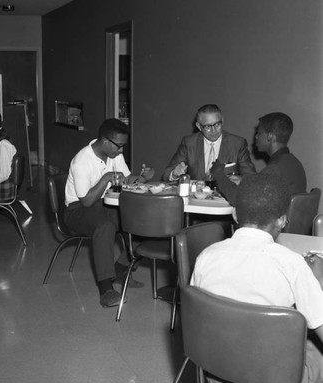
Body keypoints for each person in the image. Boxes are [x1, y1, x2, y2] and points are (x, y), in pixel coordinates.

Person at [191, 173, 323, 383]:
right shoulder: (291, 266)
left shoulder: (206, 258)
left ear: (235, 213)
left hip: (217, 378)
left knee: (262, 345)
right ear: (282, 220)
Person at [64, 118, 155, 308]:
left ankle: (120, 269)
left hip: (105, 204)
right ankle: (106, 289)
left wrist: (141, 178)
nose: (121, 151)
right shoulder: (81, 161)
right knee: (104, 227)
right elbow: (87, 201)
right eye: (119, 146)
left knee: (141, 222)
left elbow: (127, 178)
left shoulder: (113, 155)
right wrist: (106, 178)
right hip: (77, 210)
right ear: (105, 141)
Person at [210, 112, 307, 206]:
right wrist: (247, 181)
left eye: (259, 133)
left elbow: (239, 200)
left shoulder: (275, 168)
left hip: (272, 222)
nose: (256, 136)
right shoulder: (294, 163)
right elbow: (268, 188)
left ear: (270, 137)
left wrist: (219, 174)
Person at [162, 103, 256, 182]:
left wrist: (239, 180)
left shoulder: (237, 144)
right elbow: (166, 175)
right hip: (197, 199)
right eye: (207, 126)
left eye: (217, 124)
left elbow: (251, 177)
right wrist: (175, 173)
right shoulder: (189, 143)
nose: (213, 130)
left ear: (222, 121)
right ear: (199, 126)